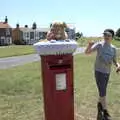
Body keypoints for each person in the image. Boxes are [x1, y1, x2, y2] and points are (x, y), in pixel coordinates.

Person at [85, 29, 120, 120]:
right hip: (99, 71)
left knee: (102, 91)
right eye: (105, 35)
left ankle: (99, 105)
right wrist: (89, 45)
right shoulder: (99, 44)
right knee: (103, 91)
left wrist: (118, 65)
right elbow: (87, 52)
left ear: (112, 37)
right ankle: (105, 112)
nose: (106, 37)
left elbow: (115, 60)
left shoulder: (113, 48)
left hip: (107, 72)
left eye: (108, 35)